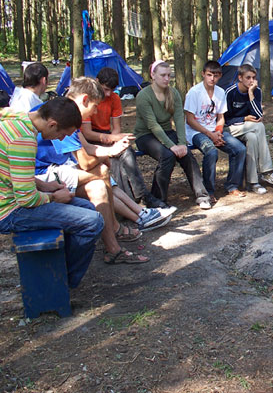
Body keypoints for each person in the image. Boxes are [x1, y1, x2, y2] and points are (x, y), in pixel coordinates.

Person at [36, 78, 160, 264]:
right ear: (85, 99)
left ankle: (114, 244)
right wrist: (108, 153)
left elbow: (87, 148)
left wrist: (109, 150)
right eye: (95, 106)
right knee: (101, 171)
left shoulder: (66, 112)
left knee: (99, 185)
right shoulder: (61, 117)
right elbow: (85, 162)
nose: (95, 112)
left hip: (57, 170)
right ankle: (117, 230)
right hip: (44, 174)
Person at [0, 97, 104, 287]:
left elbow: (10, 170)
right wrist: (54, 197)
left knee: (87, 207)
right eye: (63, 134)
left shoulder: (17, 118)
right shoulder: (23, 139)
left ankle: (57, 268)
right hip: (8, 211)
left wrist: (45, 186)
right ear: (52, 124)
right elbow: (26, 199)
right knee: (92, 222)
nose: (62, 139)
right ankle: (59, 282)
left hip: (11, 197)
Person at [81, 67, 169, 209]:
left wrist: (116, 139)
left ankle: (141, 196)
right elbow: (87, 133)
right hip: (92, 140)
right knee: (115, 159)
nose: (108, 94)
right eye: (105, 89)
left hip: (107, 135)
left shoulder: (114, 98)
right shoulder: (90, 100)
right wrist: (111, 139)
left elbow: (116, 127)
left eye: (111, 90)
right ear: (97, 82)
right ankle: (133, 199)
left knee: (127, 153)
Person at [135, 60, 212, 209]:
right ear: (153, 75)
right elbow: (152, 125)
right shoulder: (144, 96)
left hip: (167, 132)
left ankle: (202, 195)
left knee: (187, 154)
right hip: (145, 135)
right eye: (162, 75)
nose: (166, 79)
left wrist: (182, 143)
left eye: (169, 75)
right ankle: (158, 200)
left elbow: (179, 119)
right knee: (167, 155)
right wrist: (172, 146)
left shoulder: (173, 93)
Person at [185, 60, 247, 199]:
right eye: (209, 75)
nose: (212, 78)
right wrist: (210, 134)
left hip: (214, 131)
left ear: (220, 76)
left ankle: (232, 185)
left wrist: (218, 132)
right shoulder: (194, 92)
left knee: (239, 149)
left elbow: (220, 117)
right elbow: (190, 120)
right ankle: (209, 191)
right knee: (211, 151)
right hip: (196, 132)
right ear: (203, 74)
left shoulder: (220, 92)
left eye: (216, 75)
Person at [224, 64, 273, 194]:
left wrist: (251, 94)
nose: (251, 81)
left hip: (248, 129)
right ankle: (267, 171)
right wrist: (244, 118)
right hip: (230, 128)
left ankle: (253, 182)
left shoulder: (256, 91)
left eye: (253, 77)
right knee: (259, 126)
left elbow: (258, 115)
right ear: (240, 78)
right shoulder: (230, 92)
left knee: (252, 138)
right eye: (248, 78)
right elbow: (225, 119)